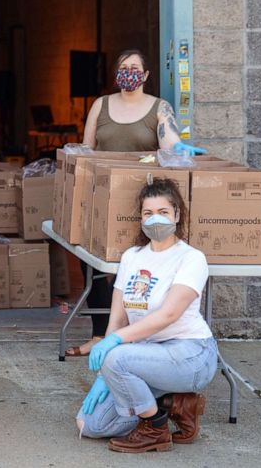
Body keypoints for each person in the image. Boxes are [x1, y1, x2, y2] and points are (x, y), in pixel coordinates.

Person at [68, 49, 205, 357]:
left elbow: (168, 142)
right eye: (123, 67)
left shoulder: (159, 107)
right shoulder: (100, 105)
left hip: (144, 200)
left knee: (136, 267)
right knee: (93, 264)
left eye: (134, 68)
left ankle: (134, 334)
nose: (128, 73)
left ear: (144, 76)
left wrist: (178, 146)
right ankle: (100, 334)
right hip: (104, 196)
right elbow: (87, 149)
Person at [76, 177, 217, 453]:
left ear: (177, 214)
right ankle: (174, 403)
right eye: (148, 213)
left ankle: (154, 428)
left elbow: (169, 314)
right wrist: (104, 375)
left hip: (190, 354)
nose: (155, 219)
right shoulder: (132, 256)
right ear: (140, 217)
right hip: (145, 358)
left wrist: (113, 346)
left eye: (163, 212)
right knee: (90, 425)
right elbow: (117, 321)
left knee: (116, 357)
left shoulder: (191, 258)